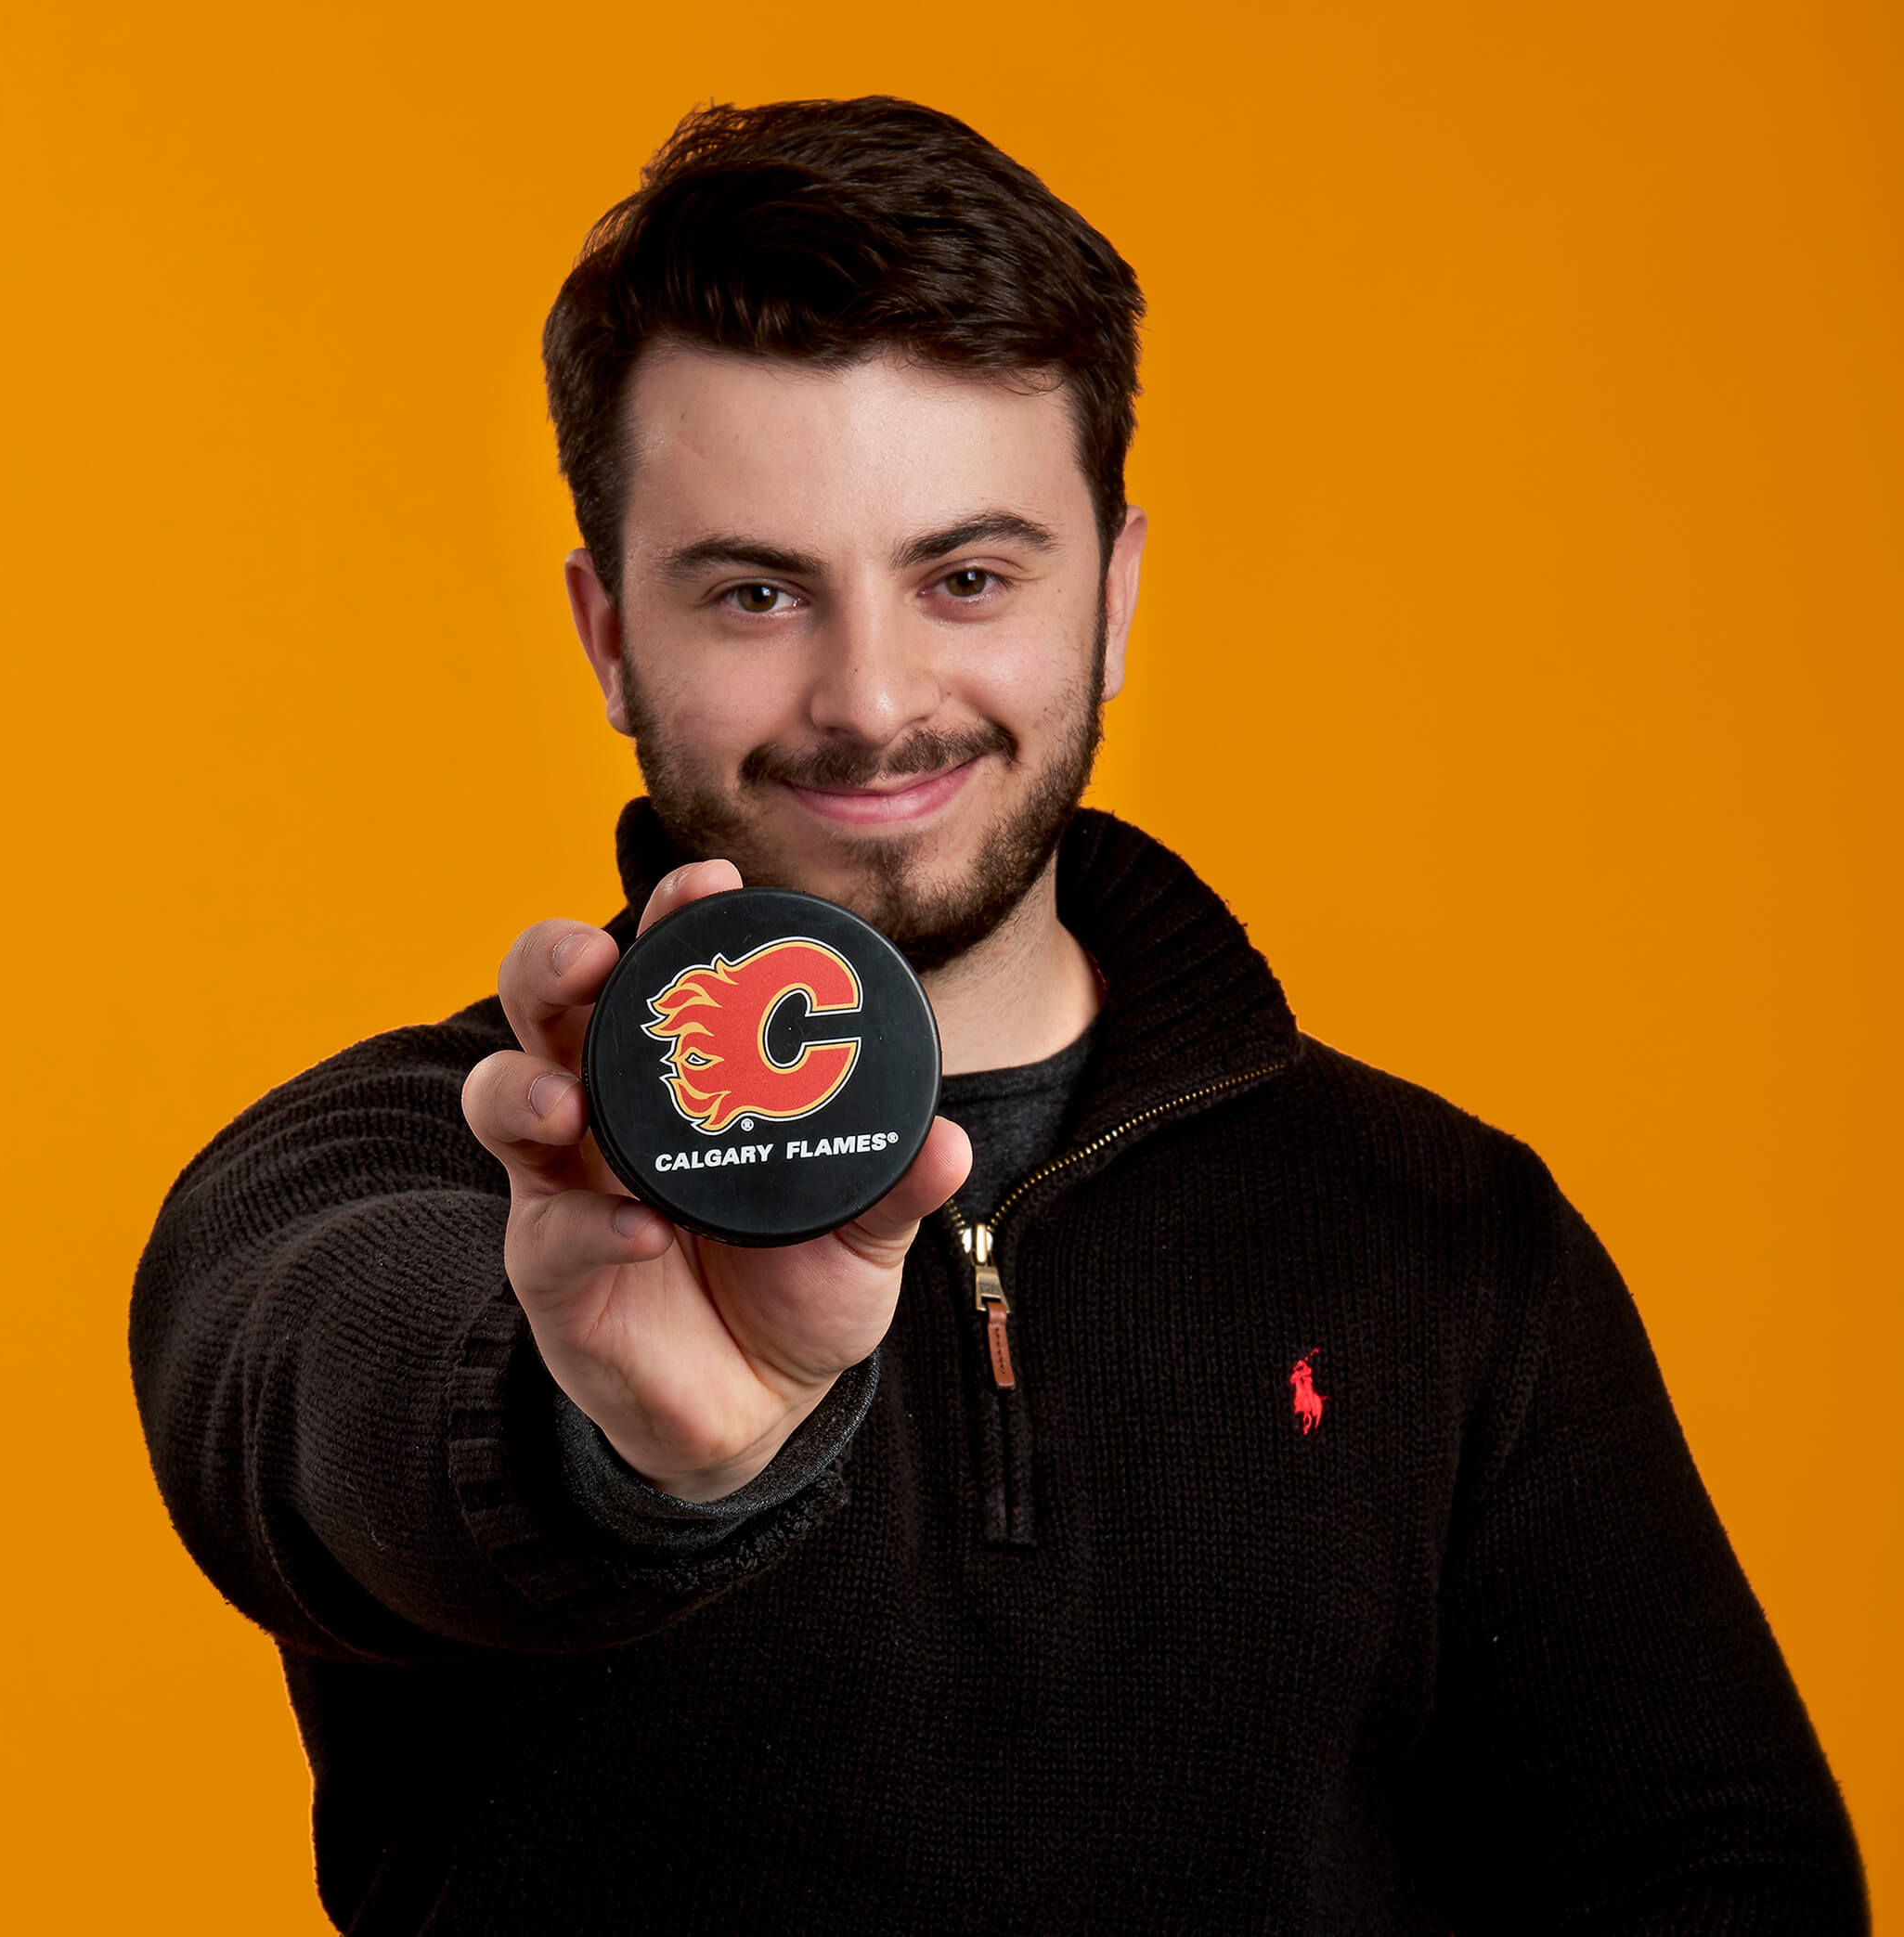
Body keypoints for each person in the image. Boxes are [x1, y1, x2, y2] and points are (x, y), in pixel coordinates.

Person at [130, 97, 1866, 1932]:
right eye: (752, 591)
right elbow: (307, 1403)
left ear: (1112, 596)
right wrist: (615, 1448)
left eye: (967, 576)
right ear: (609, 631)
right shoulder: (397, 1165)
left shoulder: (1448, 1240)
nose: (873, 701)